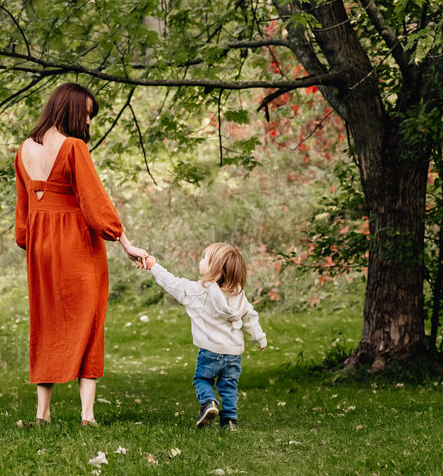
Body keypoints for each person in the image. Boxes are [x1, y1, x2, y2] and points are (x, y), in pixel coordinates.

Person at [14, 82, 149, 427]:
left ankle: (42, 414)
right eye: (87, 114)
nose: (89, 122)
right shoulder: (73, 147)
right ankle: (87, 416)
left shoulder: (22, 151)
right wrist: (125, 243)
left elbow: (22, 221)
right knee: (89, 323)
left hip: (41, 249)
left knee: (47, 323)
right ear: (72, 110)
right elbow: (95, 202)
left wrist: (36, 242)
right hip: (77, 244)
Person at [143, 243, 266, 430]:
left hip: (210, 350)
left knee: (202, 380)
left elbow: (172, 282)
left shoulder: (198, 290)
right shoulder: (238, 293)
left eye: (204, 258)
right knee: (229, 386)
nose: (200, 261)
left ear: (214, 268)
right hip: (234, 352)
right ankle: (230, 421)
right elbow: (250, 315)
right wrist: (260, 337)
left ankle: (209, 403)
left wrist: (154, 266)